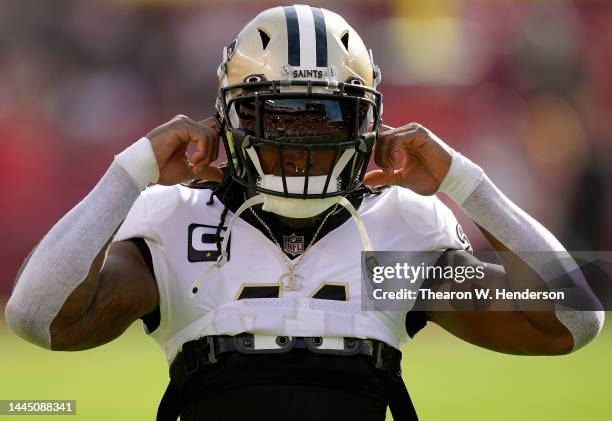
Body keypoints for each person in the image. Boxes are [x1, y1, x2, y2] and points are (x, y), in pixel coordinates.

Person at [5, 5, 604, 421]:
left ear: (366, 124)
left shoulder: (392, 239)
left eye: (327, 118)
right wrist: (129, 172)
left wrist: (466, 184)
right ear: (232, 121)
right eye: (281, 117)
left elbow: (573, 319)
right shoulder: (177, 220)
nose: (304, 144)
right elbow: (37, 317)